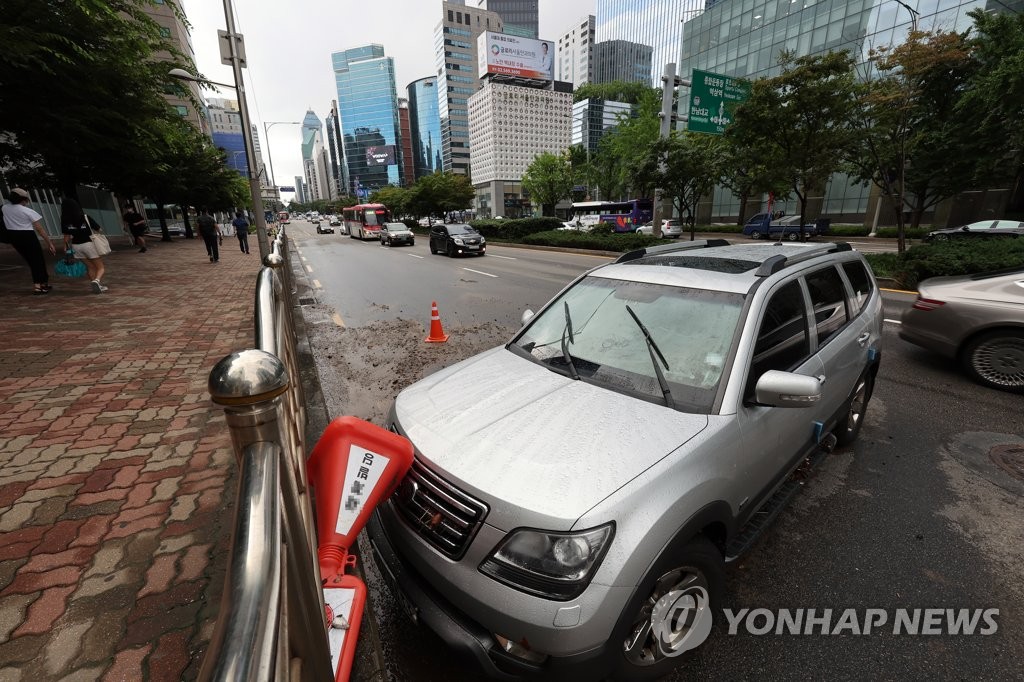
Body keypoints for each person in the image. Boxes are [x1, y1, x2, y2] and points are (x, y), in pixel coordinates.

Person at [3, 188, 56, 294]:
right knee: (37, 260)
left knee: (31, 260)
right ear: (23, 199)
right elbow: (39, 229)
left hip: (13, 236)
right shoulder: (27, 211)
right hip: (27, 236)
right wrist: (49, 243)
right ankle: (38, 286)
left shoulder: (4, 208)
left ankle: (43, 283)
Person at [61, 197, 107, 293]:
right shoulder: (85, 217)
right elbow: (99, 229)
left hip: (76, 246)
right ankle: (96, 280)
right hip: (88, 244)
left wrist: (65, 247)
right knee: (100, 267)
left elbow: (66, 235)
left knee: (89, 267)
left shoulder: (64, 220)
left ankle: (97, 286)